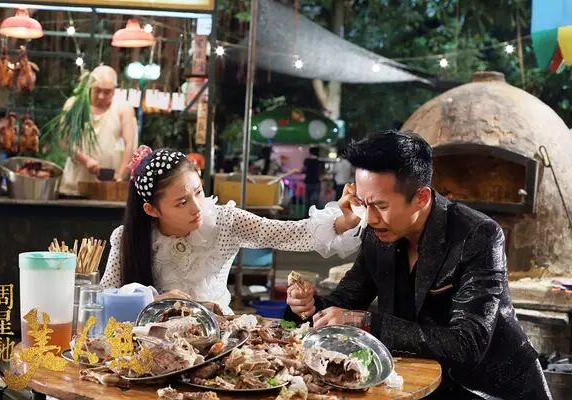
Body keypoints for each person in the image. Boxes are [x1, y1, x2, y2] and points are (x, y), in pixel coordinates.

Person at [286, 131, 551, 399]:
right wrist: (310, 306)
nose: (370, 218)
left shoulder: (479, 234)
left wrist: (363, 320)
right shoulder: (377, 232)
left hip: (490, 390)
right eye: (363, 204)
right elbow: (346, 300)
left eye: (380, 206)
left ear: (421, 198)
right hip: (420, 383)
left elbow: (467, 344)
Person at [101, 145, 363, 315]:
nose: (197, 207)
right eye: (182, 202)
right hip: (153, 342)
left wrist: (343, 222)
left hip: (219, 337)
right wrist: (153, 299)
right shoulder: (127, 238)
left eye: (198, 192)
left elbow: (287, 233)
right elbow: (105, 298)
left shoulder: (226, 221)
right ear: (152, 210)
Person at [60, 65, 137, 195]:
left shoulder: (123, 109)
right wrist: (85, 160)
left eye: (107, 92)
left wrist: (120, 176)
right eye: (97, 90)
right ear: (90, 87)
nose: (101, 96)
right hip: (74, 181)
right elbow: (64, 140)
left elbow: (130, 144)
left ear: (114, 91)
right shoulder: (73, 104)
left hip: (106, 183)